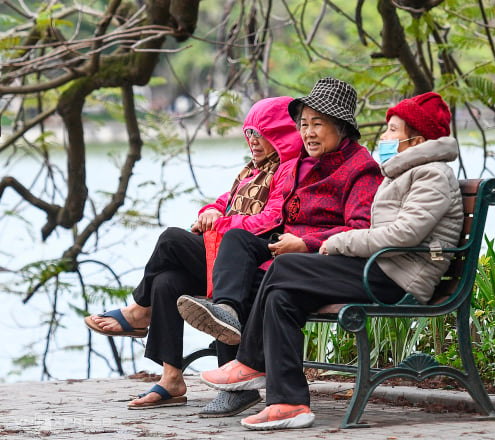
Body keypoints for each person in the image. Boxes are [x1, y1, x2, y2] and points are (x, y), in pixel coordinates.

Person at [198, 91, 465, 430]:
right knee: (283, 297)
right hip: (380, 266)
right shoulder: (404, 172)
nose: (383, 137)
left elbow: (404, 235)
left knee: (283, 267)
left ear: (419, 139)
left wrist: (335, 242)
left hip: (397, 277)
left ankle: (250, 363)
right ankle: (289, 402)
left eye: (392, 130)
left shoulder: (431, 174)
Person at [83, 96, 303, 411]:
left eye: (261, 133)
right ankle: (171, 378)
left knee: (171, 240)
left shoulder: (287, 169)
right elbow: (222, 201)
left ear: (280, 134)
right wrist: (210, 213)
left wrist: (223, 222)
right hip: (223, 255)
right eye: (249, 134)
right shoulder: (251, 172)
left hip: (251, 261)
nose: (253, 141)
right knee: (168, 281)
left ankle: (139, 311)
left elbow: (272, 219)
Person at [176, 76, 382, 348]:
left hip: (320, 259)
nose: (308, 133)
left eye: (317, 124)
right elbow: (258, 203)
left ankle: (243, 371)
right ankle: (226, 313)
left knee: (249, 279)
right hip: (284, 247)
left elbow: (360, 228)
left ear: (342, 127)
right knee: (236, 240)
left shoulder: (360, 167)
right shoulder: (302, 163)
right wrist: (218, 213)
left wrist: (304, 243)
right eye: (304, 124)